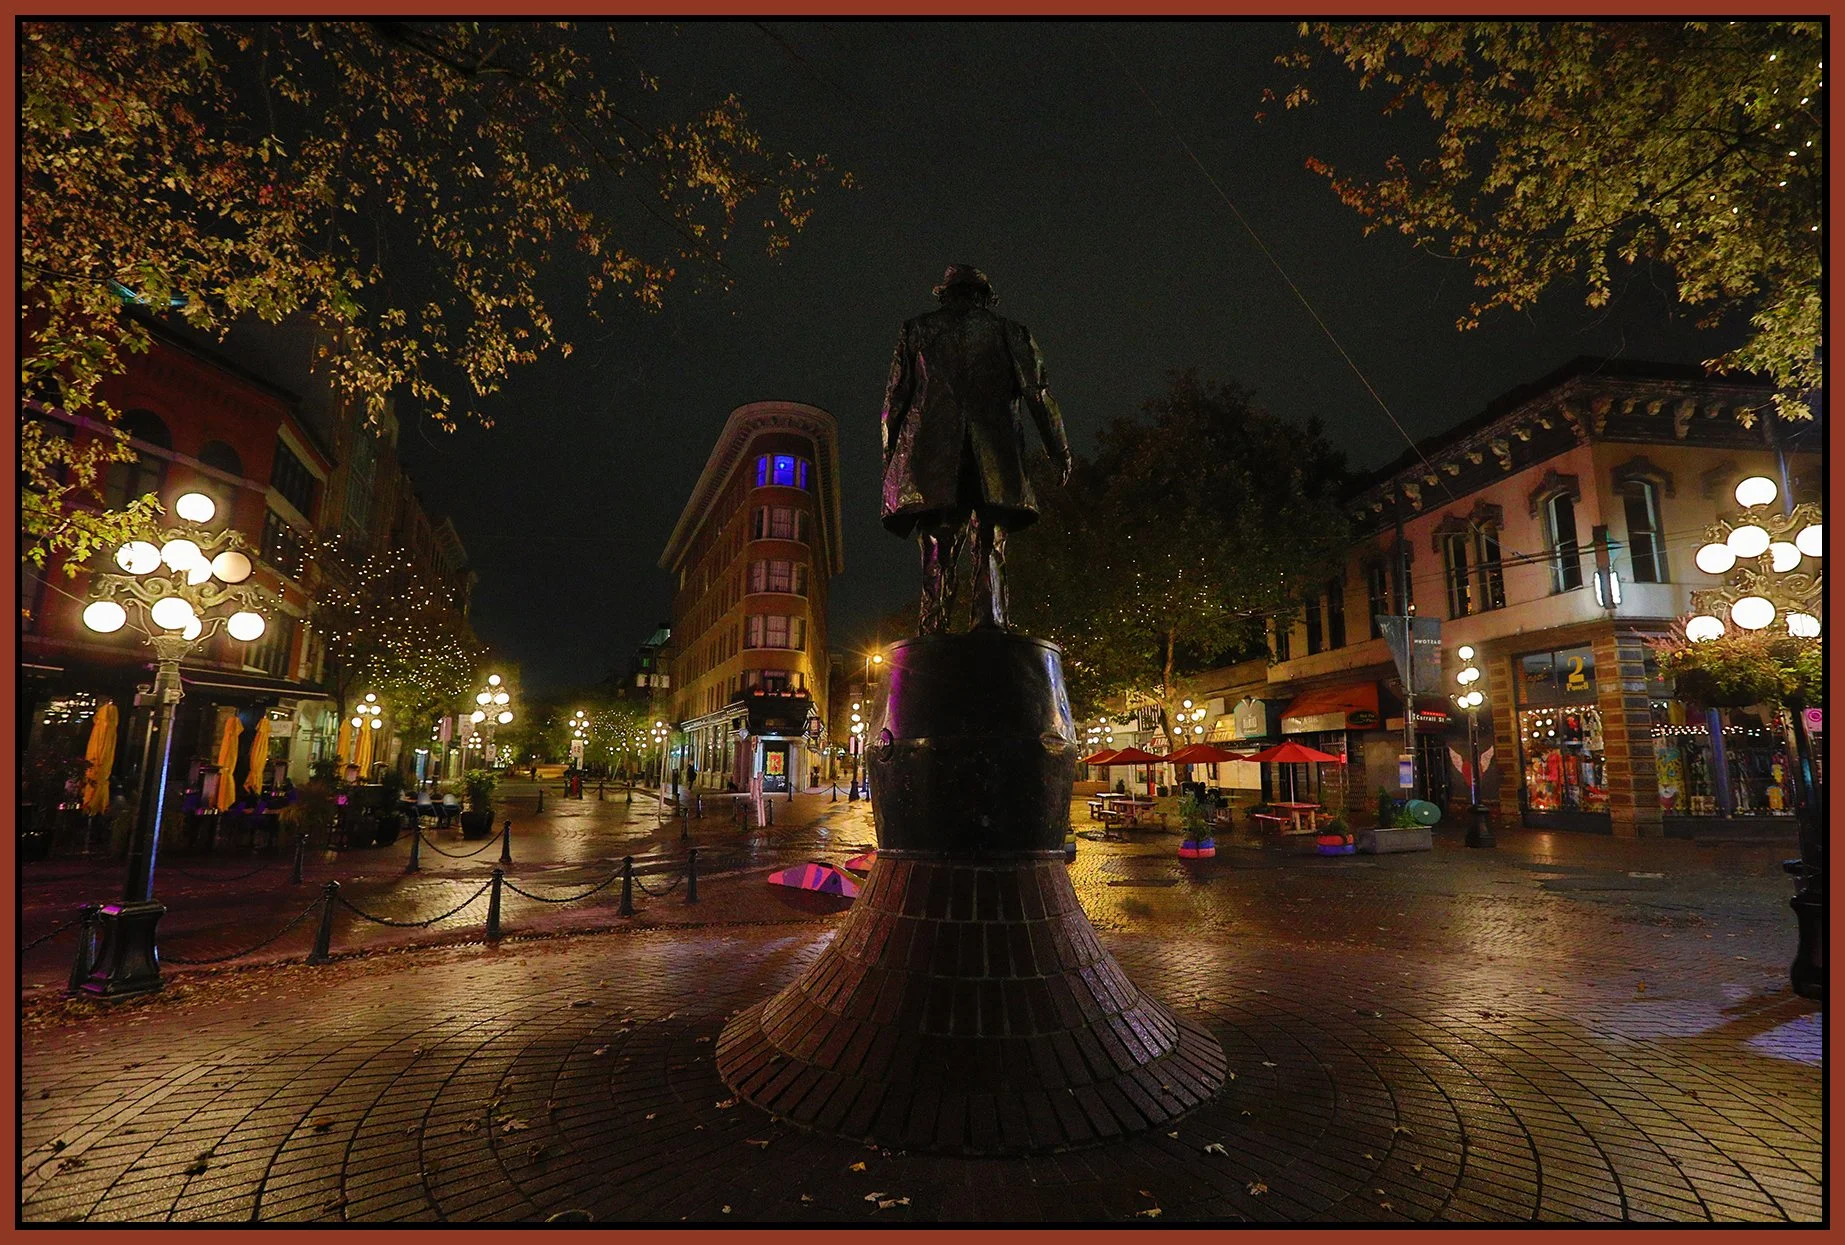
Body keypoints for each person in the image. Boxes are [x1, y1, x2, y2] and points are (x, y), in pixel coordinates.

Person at [879, 264, 1072, 633]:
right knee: (990, 538)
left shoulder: (917, 329)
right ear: (984, 296)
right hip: (994, 456)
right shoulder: (1009, 332)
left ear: (946, 294)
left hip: (930, 460)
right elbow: (1038, 393)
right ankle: (990, 619)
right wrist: (1058, 448)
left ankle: (933, 624)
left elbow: (895, 402)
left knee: (937, 542)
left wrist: (891, 461)